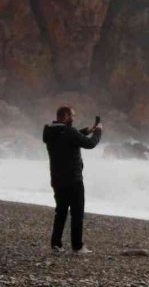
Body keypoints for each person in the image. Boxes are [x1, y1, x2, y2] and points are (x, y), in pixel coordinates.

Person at [42, 106, 103, 254]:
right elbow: (90, 144)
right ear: (65, 116)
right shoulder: (69, 132)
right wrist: (99, 131)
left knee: (61, 212)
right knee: (77, 213)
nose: (74, 118)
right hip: (74, 180)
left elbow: (70, 136)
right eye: (72, 116)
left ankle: (56, 244)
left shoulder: (50, 131)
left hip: (57, 180)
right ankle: (77, 246)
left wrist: (87, 130)